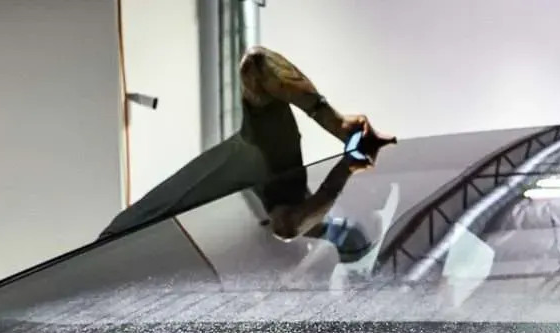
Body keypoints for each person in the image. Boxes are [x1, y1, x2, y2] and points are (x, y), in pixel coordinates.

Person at [100, 46, 394, 259]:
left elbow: (291, 226)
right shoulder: (280, 162)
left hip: (144, 296)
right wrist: (334, 122)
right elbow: (257, 66)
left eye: (337, 244)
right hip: (116, 251)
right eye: (338, 229)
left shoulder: (275, 274)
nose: (327, 235)